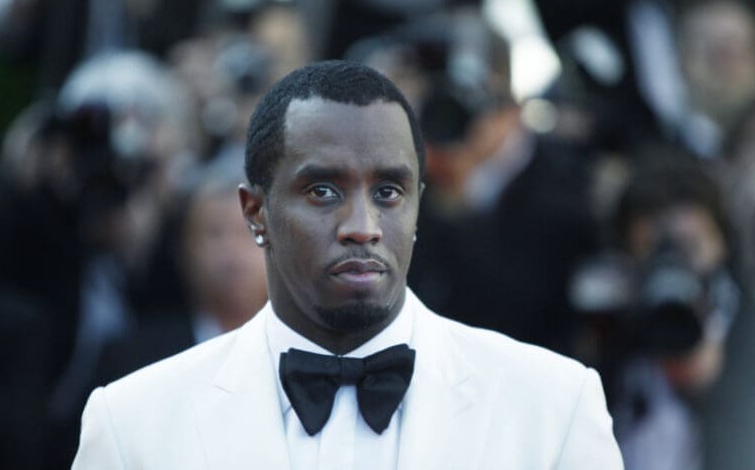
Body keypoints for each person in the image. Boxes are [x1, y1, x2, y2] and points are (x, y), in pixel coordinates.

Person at [71, 60, 623, 469]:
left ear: (417, 205)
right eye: (323, 191)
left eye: (388, 191)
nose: (363, 224)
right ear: (255, 211)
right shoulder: (133, 425)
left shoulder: (552, 406)